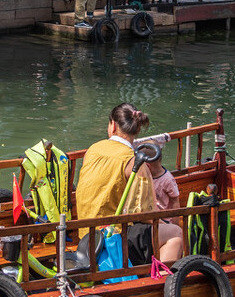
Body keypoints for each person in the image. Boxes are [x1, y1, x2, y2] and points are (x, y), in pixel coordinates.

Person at [76, 103, 184, 265]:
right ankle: (163, 285)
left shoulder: (93, 149)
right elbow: (146, 214)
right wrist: (166, 224)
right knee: (175, 233)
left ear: (113, 126)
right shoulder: (135, 161)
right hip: (113, 237)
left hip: (85, 234)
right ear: (137, 129)